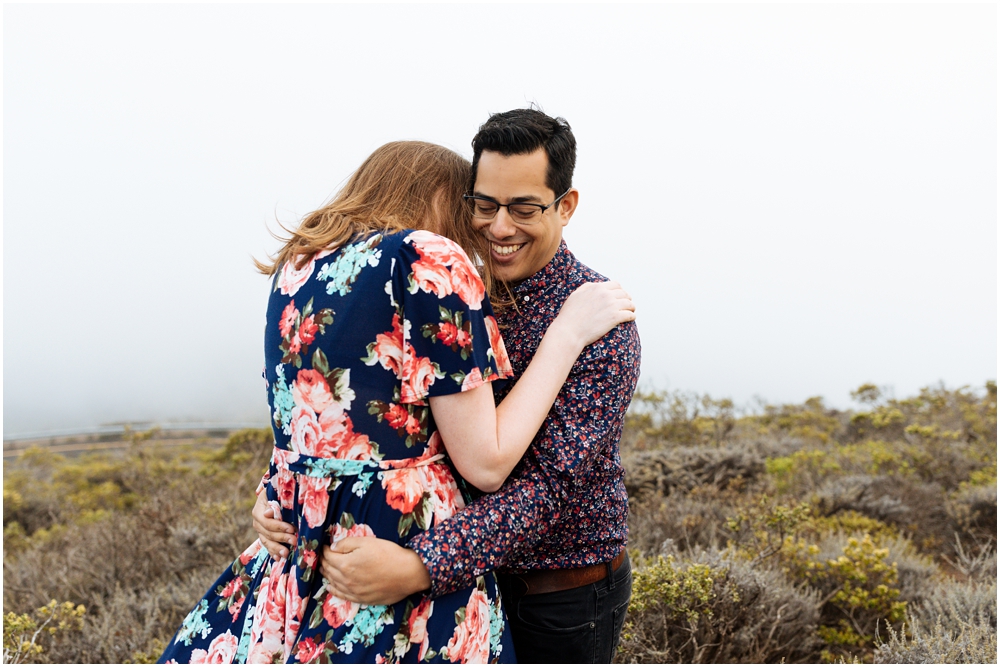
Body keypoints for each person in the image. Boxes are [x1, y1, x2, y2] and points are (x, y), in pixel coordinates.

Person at [158, 140, 634, 664]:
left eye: (522, 208)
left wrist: (295, 495)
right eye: (473, 207)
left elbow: (548, 487)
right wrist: (281, 496)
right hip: (388, 555)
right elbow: (478, 460)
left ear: (563, 206)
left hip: (555, 591)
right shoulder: (428, 264)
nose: (486, 230)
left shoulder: (298, 268)